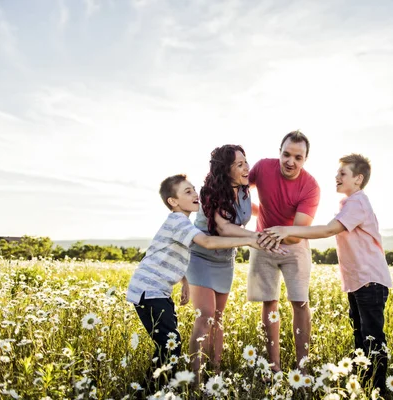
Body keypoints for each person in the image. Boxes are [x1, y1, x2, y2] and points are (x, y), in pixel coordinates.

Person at [262, 154, 393, 394]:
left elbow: (328, 230)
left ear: (358, 178)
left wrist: (286, 230)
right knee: (361, 336)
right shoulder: (349, 203)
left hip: (370, 281)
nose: (337, 177)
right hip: (359, 282)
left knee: (372, 338)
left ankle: (379, 390)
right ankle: (365, 386)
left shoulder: (358, 203)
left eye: (343, 173)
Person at [126, 173, 265, 390]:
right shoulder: (177, 221)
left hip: (157, 292)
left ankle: (158, 388)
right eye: (187, 191)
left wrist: (184, 283)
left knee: (168, 344)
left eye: (194, 189)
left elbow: (175, 255)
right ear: (173, 201)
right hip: (148, 291)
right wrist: (249, 239)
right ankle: (151, 390)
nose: (195, 194)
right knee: (170, 346)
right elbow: (207, 242)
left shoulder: (182, 223)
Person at [186, 145, 277, 377]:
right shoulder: (210, 192)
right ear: (225, 170)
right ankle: (194, 378)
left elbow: (255, 210)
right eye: (239, 164)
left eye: (246, 162)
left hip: (225, 260)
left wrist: (274, 217)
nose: (247, 167)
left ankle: (214, 374)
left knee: (217, 318)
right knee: (205, 316)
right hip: (200, 256)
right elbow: (223, 228)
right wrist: (254, 238)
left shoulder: (245, 191)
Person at [247, 130, 320, 372]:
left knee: (300, 302)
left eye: (298, 157)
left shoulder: (310, 186)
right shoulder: (262, 168)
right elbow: (238, 188)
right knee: (269, 302)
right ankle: (273, 365)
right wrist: (254, 214)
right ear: (279, 152)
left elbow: (299, 231)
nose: (291, 161)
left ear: (305, 160)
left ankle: (303, 366)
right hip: (263, 244)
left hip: (295, 246)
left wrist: (279, 230)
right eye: (286, 154)